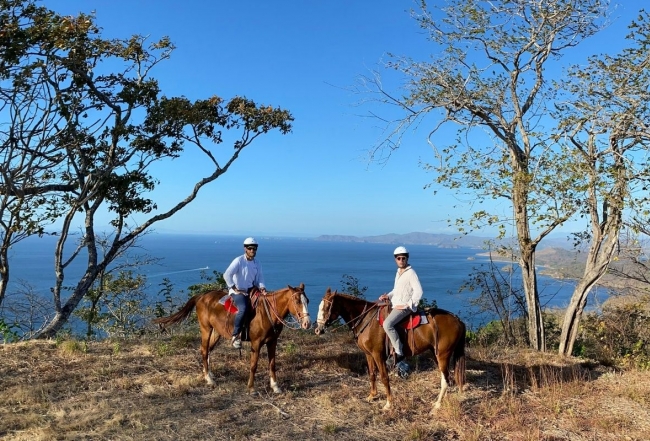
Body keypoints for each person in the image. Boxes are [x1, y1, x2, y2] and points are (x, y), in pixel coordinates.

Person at [378, 246, 423, 374]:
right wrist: (388, 296)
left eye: (404, 258)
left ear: (407, 259)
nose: (401, 260)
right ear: (395, 260)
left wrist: (408, 305)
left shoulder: (411, 273)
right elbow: (396, 290)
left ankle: (398, 352)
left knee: (387, 324)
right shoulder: (398, 272)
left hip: (404, 307)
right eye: (399, 258)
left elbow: (419, 291)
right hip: (395, 304)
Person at [223, 237, 267, 348]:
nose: (252, 250)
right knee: (243, 309)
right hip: (238, 291)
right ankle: (236, 335)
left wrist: (262, 288)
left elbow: (260, 277)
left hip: (252, 290)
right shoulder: (238, 261)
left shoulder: (257, 262)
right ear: (245, 249)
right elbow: (227, 274)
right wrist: (234, 287)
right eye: (250, 248)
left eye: (254, 248)